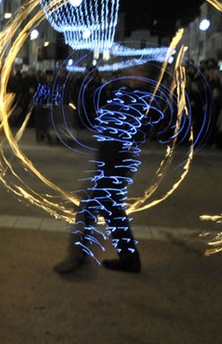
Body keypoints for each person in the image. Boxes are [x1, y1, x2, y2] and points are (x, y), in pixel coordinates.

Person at [53, 64, 167, 274]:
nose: (131, 73)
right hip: (110, 160)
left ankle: (77, 256)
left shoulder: (142, 99)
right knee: (112, 210)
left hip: (116, 162)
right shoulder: (128, 94)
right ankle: (129, 259)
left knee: (88, 206)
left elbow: (135, 130)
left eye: (138, 72)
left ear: (147, 78)